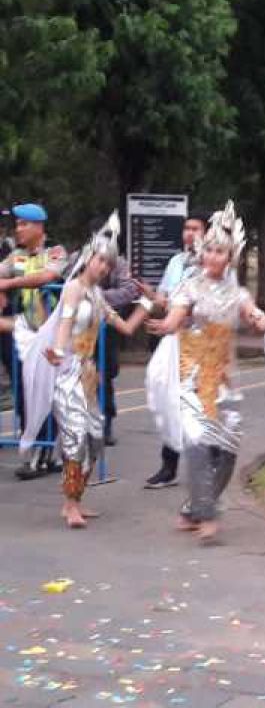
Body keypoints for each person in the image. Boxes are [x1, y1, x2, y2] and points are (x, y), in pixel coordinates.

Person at [146, 201, 265, 542]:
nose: (213, 257)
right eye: (209, 250)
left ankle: (195, 506)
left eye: (221, 251)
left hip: (224, 382)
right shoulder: (190, 286)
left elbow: (253, 315)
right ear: (202, 252)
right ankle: (207, 516)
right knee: (197, 443)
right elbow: (178, 314)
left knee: (229, 449)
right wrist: (167, 324)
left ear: (231, 256)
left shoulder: (238, 292)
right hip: (192, 377)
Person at [12, 213, 151, 528]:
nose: (103, 267)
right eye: (100, 260)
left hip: (87, 376)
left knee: (96, 440)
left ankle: (76, 497)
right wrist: (58, 351)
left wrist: (147, 305)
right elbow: (64, 323)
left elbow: (127, 328)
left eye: (108, 264)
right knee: (75, 439)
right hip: (68, 372)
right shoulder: (73, 289)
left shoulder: (98, 296)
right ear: (89, 257)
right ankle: (70, 504)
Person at [0, 203, 69, 479]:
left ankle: (46, 453)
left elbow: (48, 276)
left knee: (47, 394)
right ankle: (37, 449)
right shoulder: (15, 256)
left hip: (52, 334)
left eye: (23, 224)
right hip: (26, 333)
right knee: (24, 393)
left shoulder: (55, 251)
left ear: (39, 226)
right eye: (17, 224)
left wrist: (8, 285)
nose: (18, 229)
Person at [144, 211, 207, 488]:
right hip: (175, 341)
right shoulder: (176, 262)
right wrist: (151, 296)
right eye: (186, 228)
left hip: (202, 343)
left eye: (195, 229)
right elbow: (166, 301)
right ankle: (168, 466)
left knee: (197, 406)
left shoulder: (212, 265)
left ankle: (204, 466)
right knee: (170, 398)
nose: (189, 234)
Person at [74, 216, 141, 448]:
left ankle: (106, 421)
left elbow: (129, 290)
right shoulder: (78, 260)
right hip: (78, 327)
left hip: (106, 326)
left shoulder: (120, 263)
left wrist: (98, 298)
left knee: (105, 373)